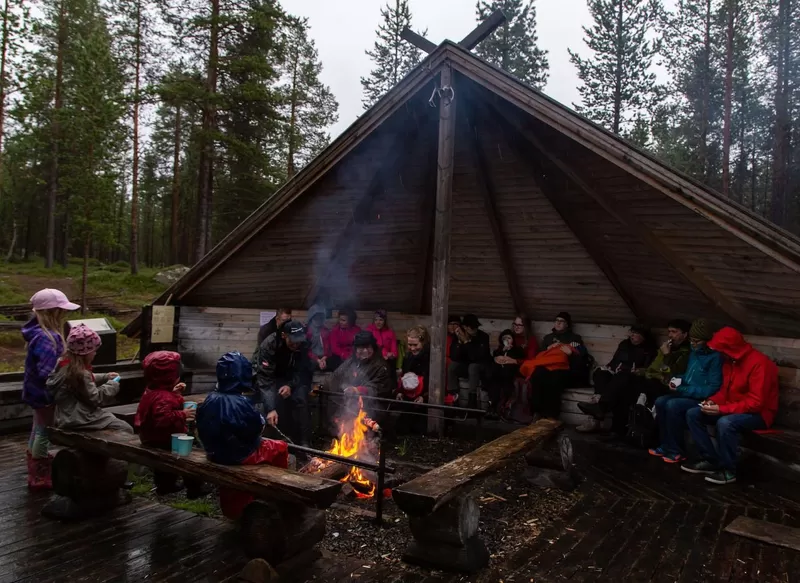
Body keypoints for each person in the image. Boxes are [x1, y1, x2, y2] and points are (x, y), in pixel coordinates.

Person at [196, 352, 289, 519]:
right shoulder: (241, 403)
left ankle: (238, 507)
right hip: (240, 455)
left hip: (214, 454)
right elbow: (255, 428)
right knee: (280, 448)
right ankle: (277, 492)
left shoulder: (209, 399)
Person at [682, 327, 779, 485]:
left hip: (760, 415)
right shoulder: (730, 362)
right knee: (693, 413)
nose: (718, 353)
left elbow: (756, 402)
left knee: (726, 423)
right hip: (734, 408)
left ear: (730, 348)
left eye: (720, 349)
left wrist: (721, 409)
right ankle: (710, 459)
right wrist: (713, 401)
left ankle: (728, 470)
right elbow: (724, 391)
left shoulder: (760, 364)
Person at [579, 319, 692, 436]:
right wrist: (643, 371)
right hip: (649, 379)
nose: (670, 335)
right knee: (620, 386)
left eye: (674, 332)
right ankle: (615, 428)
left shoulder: (685, 352)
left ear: (684, 335)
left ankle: (602, 410)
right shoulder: (665, 348)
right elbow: (652, 368)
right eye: (669, 332)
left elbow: (675, 372)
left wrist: (664, 357)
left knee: (624, 382)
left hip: (664, 385)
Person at [21, 288, 80, 490]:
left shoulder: (37, 334)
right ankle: (39, 475)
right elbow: (47, 372)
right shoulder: (48, 338)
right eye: (61, 312)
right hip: (44, 394)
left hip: (34, 392)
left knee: (37, 429)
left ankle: (35, 468)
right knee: (43, 432)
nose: (64, 315)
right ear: (53, 313)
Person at [648, 319, 722, 463]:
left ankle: (676, 450)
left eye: (697, 342)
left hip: (702, 398)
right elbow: (689, 375)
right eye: (692, 341)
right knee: (661, 401)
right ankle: (666, 445)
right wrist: (677, 380)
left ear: (707, 341)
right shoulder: (694, 353)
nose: (693, 345)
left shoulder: (715, 358)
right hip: (687, 392)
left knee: (673, 405)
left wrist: (684, 388)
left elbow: (712, 387)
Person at [135, 350, 205, 498]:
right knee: (190, 457)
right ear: (169, 376)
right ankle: (194, 488)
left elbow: (162, 406)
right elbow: (163, 419)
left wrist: (175, 393)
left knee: (164, 467)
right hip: (162, 439)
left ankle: (165, 486)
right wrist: (183, 414)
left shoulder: (153, 391)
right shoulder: (163, 397)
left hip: (150, 437)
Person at [46, 324, 133, 433]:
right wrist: (112, 384)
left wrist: (105, 377)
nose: (95, 353)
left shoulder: (64, 365)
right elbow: (96, 398)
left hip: (64, 416)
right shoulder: (80, 373)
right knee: (125, 428)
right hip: (81, 418)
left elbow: (83, 382)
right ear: (85, 353)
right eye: (94, 350)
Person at [577, 324, 656, 433]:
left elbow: (649, 370)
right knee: (600, 373)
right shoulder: (624, 344)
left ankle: (600, 409)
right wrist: (609, 368)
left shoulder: (649, 350)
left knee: (620, 380)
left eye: (636, 334)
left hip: (634, 379)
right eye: (631, 332)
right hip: (618, 374)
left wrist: (636, 371)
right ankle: (599, 406)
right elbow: (615, 361)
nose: (632, 336)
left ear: (643, 336)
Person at [256, 320, 314, 448]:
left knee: (301, 398)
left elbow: (303, 371)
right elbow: (265, 378)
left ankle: (305, 443)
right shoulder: (269, 345)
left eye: (299, 341)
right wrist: (270, 408)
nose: (296, 344)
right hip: (272, 380)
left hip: (293, 381)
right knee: (275, 402)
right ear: (284, 335)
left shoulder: (302, 345)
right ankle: (281, 441)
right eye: (293, 340)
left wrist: (290, 385)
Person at [525, 313, 586, 419]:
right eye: (556, 320)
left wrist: (570, 353)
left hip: (566, 369)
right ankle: (537, 411)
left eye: (561, 321)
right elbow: (539, 356)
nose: (558, 323)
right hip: (547, 366)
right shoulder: (548, 338)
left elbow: (581, 360)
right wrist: (548, 349)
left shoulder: (575, 338)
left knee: (554, 377)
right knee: (538, 374)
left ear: (567, 324)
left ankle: (551, 415)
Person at [328, 331, 392, 426]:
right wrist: (323, 386)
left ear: (373, 347)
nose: (365, 351)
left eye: (368, 347)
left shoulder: (381, 366)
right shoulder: (351, 361)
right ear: (356, 349)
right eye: (361, 347)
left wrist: (358, 390)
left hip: (372, 408)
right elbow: (336, 376)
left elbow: (378, 388)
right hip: (349, 404)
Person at [447, 314, 491, 406]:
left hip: (480, 366)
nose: (475, 329)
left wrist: (466, 342)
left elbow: (477, 357)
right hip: (465, 366)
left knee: (473, 366)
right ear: (465, 327)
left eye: (476, 327)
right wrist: (460, 342)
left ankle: (472, 399)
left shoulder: (483, 337)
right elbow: (454, 356)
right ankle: (453, 396)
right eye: (472, 327)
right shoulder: (457, 337)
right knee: (452, 366)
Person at [395, 326, 430, 433]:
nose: (413, 348)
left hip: (424, 401)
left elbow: (432, 381)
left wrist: (424, 397)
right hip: (409, 398)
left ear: (423, 343)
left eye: (415, 345)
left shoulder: (430, 358)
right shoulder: (408, 357)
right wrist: (400, 392)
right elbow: (404, 377)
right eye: (410, 345)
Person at [490, 329, 525, 417]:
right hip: (498, 375)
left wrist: (510, 352)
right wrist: (503, 351)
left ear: (512, 339)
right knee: (495, 381)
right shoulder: (498, 350)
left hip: (510, 373)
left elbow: (520, 361)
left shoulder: (517, 350)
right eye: (504, 338)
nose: (507, 340)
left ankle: (501, 406)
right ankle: (493, 407)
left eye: (509, 338)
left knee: (505, 375)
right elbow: (494, 359)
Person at [367, 309, 398, 386]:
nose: (378, 322)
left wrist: (391, 355)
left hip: (386, 360)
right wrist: (384, 353)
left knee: (391, 364)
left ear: (385, 321)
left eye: (381, 320)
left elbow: (394, 351)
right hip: (373, 358)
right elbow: (371, 347)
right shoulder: (369, 331)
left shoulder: (390, 333)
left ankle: (391, 388)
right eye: (376, 320)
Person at [305, 304, 331, 371]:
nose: (318, 320)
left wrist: (324, 358)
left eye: (320, 318)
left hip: (324, 357)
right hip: (311, 357)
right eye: (316, 318)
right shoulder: (307, 332)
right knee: (309, 365)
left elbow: (330, 348)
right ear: (311, 318)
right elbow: (306, 350)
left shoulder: (326, 331)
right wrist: (317, 360)